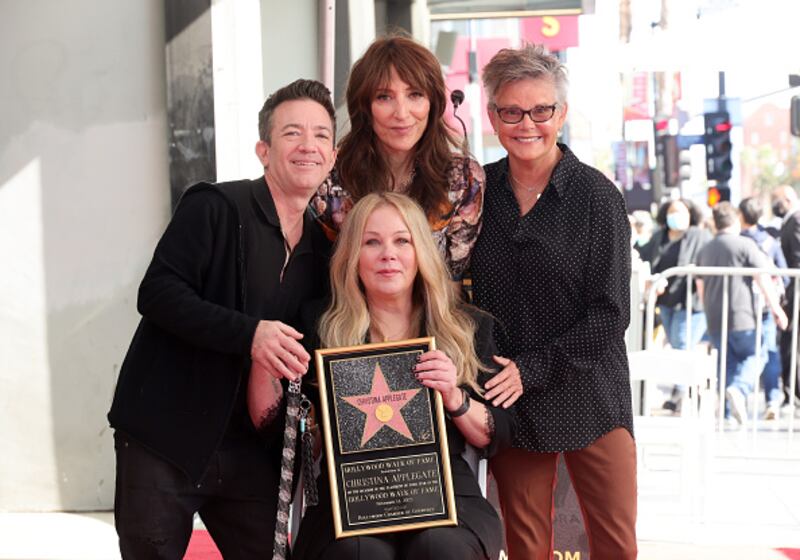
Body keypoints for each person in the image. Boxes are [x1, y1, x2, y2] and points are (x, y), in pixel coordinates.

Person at [107, 79, 338, 559]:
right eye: (292, 133)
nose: (308, 145)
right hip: (165, 434)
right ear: (263, 150)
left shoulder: (323, 248)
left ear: (333, 156)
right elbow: (158, 293)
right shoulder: (214, 206)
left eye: (321, 135)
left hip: (250, 450)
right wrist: (250, 335)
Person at [469, 44, 637, 560]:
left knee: (615, 545)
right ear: (492, 116)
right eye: (512, 112)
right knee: (524, 547)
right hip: (509, 396)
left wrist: (533, 369)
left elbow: (611, 313)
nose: (527, 124)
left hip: (592, 391)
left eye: (541, 110)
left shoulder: (598, 197)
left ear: (561, 113)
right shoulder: (476, 193)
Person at [291, 193, 516, 560]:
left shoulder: (467, 328)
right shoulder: (319, 326)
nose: (388, 255)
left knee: (439, 548)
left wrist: (454, 397)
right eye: (371, 242)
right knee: (360, 553)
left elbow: (497, 436)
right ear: (352, 256)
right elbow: (302, 443)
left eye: (402, 241)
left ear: (421, 252)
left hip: (445, 494)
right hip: (348, 499)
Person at [310, 34, 485, 285]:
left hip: (435, 308)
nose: (401, 113)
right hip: (346, 307)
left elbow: (452, 282)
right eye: (384, 97)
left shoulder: (462, 179)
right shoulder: (329, 178)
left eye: (415, 94)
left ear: (433, 103)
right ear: (364, 107)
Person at [696, 202, 788, 425]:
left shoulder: (705, 249)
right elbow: (762, 277)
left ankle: (728, 414)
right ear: (736, 220)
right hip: (742, 313)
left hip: (714, 315)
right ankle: (739, 388)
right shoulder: (745, 245)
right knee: (758, 354)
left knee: (725, 363)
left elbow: (700, 286)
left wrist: (707, 311)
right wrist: (776, 308)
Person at [641, 199, 711, 410]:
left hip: (691, 303)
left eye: (681, 212)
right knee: (676, 344)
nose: (676, 216)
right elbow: (645, 259)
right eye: (672, 211)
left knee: (682, 343)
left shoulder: (700, 236)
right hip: (666, 301)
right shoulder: (659, 237)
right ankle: (689, 387)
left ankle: (680, 393)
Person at [739, 196, 787, 419]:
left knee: (740, 354)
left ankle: (736, 398)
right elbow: (784, 274)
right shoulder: (770, 241)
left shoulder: (737, 240)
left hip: (740, 306)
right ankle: (771, 400)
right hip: (767, 306)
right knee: (768, 352)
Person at [772, 185, 800, 411]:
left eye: (777, 199)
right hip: (791, 292)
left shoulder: (796, 220)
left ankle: (794, 394)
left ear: (788, 199)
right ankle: (791, 392)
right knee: (788, 342)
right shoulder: (788, 221)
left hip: (795, 292)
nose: (774, 204)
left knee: (792, 343)